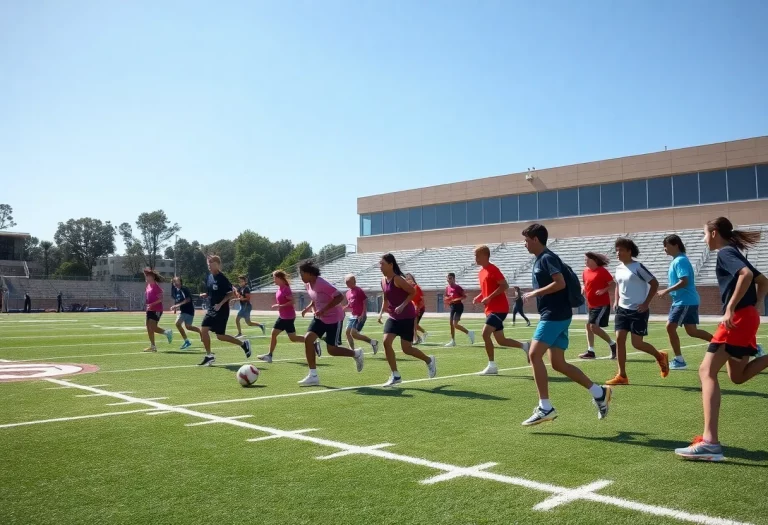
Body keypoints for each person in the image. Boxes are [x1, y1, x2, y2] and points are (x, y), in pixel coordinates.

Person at [675, 217, 768, 461]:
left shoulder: (726, 252)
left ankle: (710, 443)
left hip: (736, 318)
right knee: (736, 376)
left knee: (706, 371)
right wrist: (754, 307)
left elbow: (747, 275)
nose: (704, 238)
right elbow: (763, 281)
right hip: (746, 317)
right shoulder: (733, 251)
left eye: (704, 234)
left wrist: (731, 308)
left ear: (714, 233)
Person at [520, 224, 612, 425]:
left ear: (536, 239)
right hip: (557, 315)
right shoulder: (541, 259)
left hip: (554, 315)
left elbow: (560, 283)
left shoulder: (547, 258)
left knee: (534, 354)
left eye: (526, 240)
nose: (524, 244)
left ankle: (546, 407)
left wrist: (535, 292)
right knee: (558, 363)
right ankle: (599, 392)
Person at [606, 238, 669, 386]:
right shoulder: (618, 268)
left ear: (629, 251)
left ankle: (660, 356)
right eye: (617, 250)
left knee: (637, 344)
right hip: (622, 309)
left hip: (638, 310)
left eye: (621, 250)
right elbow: (617, 285)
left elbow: (654, 283)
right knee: (620, 338)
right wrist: (616, 300)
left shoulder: (638, 267)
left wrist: (646, 303)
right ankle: (622, 375)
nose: (618, 253)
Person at [297, 261, 364, 386]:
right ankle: (313, 375)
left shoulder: (321, 283)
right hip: (320, 318)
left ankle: (356, 353)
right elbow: (315, 298)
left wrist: (324, 309)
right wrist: (308, 308)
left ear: (310, 273)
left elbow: (339, 297)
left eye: (302, 273)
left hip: (334, 318)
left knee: (332, 350)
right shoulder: (308, 284)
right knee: (308, 339)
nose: (300, 276)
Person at [378, 254, 436, 387]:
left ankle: (429, 360)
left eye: (382, 264)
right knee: (386, 342)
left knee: (407, 349)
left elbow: (412, 292)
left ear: (390, 264)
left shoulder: (398, 279)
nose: (379, 266)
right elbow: (385, 298)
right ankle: (395, 375)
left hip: (407, 316)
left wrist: (402, 305)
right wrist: (381, 313)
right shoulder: (382, 281)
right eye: (379, 264)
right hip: (393, 317)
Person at [657, 234, 714, 370]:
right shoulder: (677, 260)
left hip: (685, 301)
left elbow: (684, 281)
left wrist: (666, 291)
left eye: (666, 246)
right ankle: (722, 344)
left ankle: (679, 360)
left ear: (675, 245)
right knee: (692, 331)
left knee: (670, 326)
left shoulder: (680, 261)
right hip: (683, 301)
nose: (664, 249)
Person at [472, 245, 529, 375]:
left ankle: (492, 366)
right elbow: (486, 290)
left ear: (485, 256)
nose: (475, 258)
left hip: (499, 308)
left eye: (477, 255)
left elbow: (504, 285)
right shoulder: (481, 272)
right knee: (501, 340)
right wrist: (479, 297)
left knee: (485, 334)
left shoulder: (493, 269)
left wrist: (489, 297)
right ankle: (525, 346)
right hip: (490, 309)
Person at [198, 256, 252, 366]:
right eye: (208, 263)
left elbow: (230, 293)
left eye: (211, 263)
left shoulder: (222, 278)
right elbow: (211, 291)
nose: (209, 265)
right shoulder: (209, 277)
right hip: (212, 308)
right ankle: (209, 356)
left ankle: (243, 344)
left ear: (217, 264)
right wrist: (206, 294)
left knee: (220, 336)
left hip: (221, 310)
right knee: (203, 330)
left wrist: (221, 304)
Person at [259, 270, 319, 363]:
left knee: (274, 333)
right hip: (285, 316)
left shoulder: (286, 289)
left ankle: (269, 355)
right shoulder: (280, 288)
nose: (273, 280)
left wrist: (280, 306)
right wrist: (280, 306)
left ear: (279, 278)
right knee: (293, 338)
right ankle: (312, 342)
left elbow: (292, 302)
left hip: (287, 317)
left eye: (274, 278)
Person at [579, 252, 617, 359]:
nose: (585, 261)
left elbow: (613, 284)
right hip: (591, 304)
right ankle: (591, 351)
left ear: (594, 260)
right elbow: (584, 282)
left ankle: (613, 344)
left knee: (593, 327)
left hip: (602, 304)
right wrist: (583, 287)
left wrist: (603, 290)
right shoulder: (585, 271)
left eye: (586, 259)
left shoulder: (602, 271)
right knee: (588, 326)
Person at [343, 274, 379, 354]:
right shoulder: (348, 293)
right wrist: (342, 309)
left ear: (354, 282)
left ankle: (372, 342)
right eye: (346, 282)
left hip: (359, 315)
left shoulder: (358, 290)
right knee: (347, 332)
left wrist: (363, 314)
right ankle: (353, 352)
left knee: (354, 334)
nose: (347, 284)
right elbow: (350, 304)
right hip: (353, 315)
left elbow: (364, 302)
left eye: (349, 282)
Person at [143, 268, 173, 352]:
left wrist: (151, 304)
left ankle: (167, 332)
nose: (146, 278)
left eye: (148, 276)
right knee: (148, 327)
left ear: (152, 277)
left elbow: (161, 299)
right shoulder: (148, 286)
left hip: (157, 309)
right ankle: (153, 346)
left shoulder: (156, 287)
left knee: (153, 327)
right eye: (146, 276)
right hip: (149, 309)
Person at [444, 272, 474, 347]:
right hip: (452, 307)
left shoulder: (457, 287)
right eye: (447, 278)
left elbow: (464, 296)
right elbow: (446, 297)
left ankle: (469, 332)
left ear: (454, 279)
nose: (448, 280)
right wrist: (447, 300)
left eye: (450, 278)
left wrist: (455, 299)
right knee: (451, 324)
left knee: (455, 324)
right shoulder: (447, 288)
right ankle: (453, 341)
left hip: (458, 306)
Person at [170, 276, 201, 349]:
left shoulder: (184, 289)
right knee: (188, 327)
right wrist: (175, 307)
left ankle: (187, 341)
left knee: (178, 324)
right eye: (174, 282)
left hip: (188, 310)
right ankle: (200, 331)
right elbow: (177, 299)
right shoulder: (176, 290)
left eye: (177, 281)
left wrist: (177, 306)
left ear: (180, 282)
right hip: (184, 311)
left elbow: (188, 300)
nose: (175, 283)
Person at [406, 273, 428, 344]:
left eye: (409, 278)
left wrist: (418, 308)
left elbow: (422, 300)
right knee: (411, 325)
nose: (408, 280)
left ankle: (415, 339)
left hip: (419, 307)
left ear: (413, 279)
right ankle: (421, 335)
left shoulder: (416, 287)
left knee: (413, 325)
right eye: (406, 279)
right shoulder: (406, 289)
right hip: (412, 308)